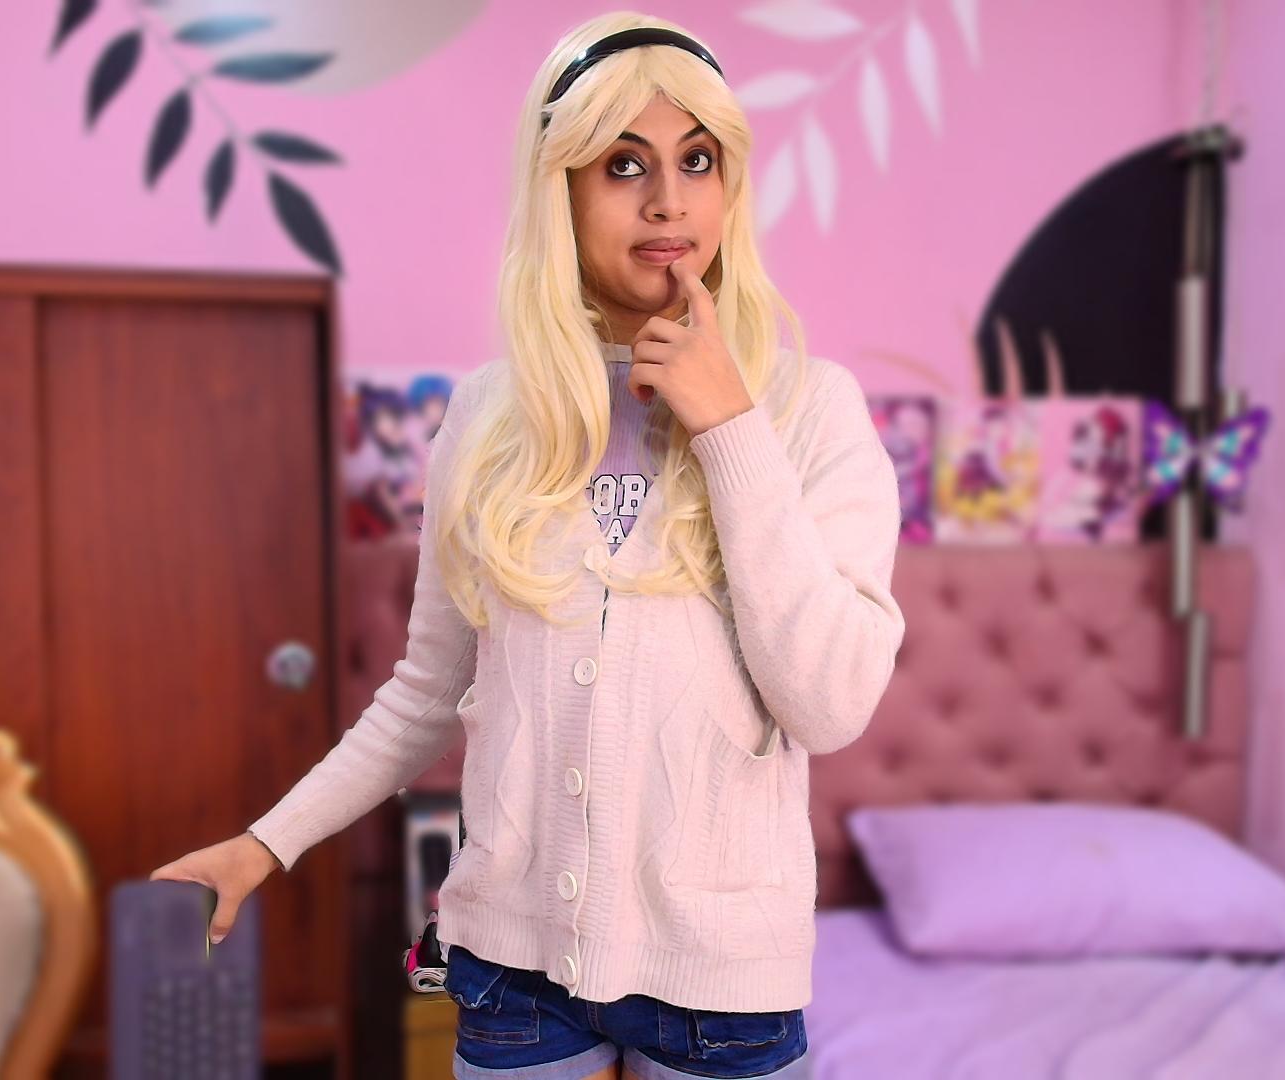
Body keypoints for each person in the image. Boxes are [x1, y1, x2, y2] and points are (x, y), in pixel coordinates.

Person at [152, 12, 905, 1079]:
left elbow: (829, 704)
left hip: (724, 982)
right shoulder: (488, 417)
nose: (668, 201)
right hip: (513, 968)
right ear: (562, 189)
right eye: (623, 164)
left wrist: (730, 426)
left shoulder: (812, 408)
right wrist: (265, 842)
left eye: (698, 161)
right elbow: (425, 694)